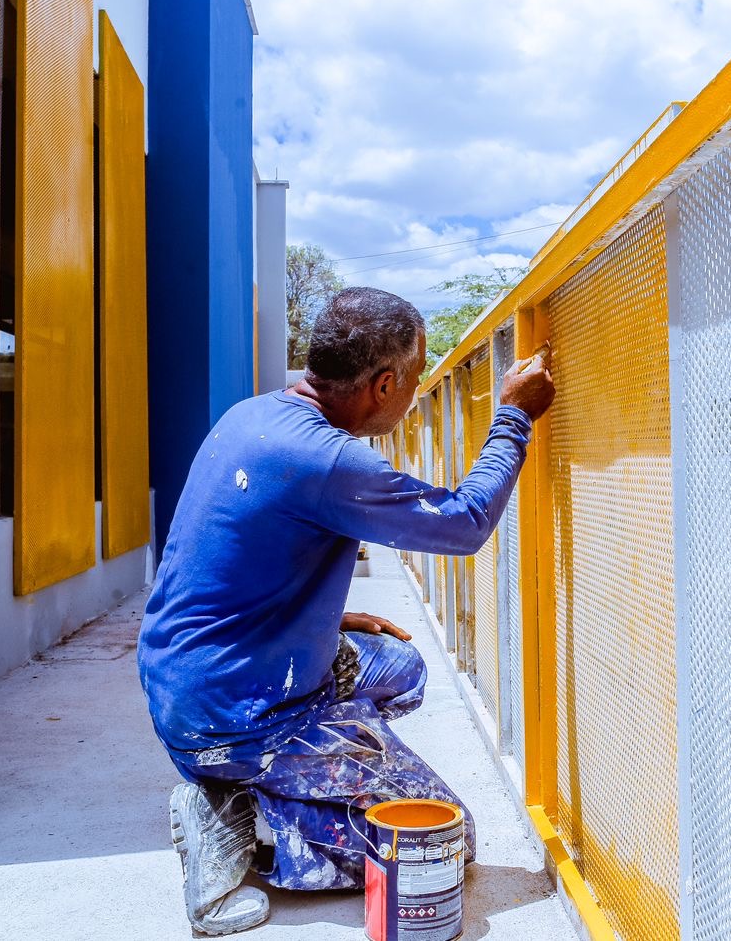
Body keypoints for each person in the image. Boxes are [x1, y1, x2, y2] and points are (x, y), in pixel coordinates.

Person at [137, 286, 555, 935]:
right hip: (232, 715)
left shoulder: (253, 416)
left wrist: (323, 622)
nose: (417, 390)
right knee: (445, 847)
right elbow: (464, 524)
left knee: (402, 669)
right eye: (417, 379)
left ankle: (294, 774)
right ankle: (238, 821)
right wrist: (513, 418)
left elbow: (228, 565)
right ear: (385, 383)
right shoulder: (328, 460)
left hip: (192, 677)